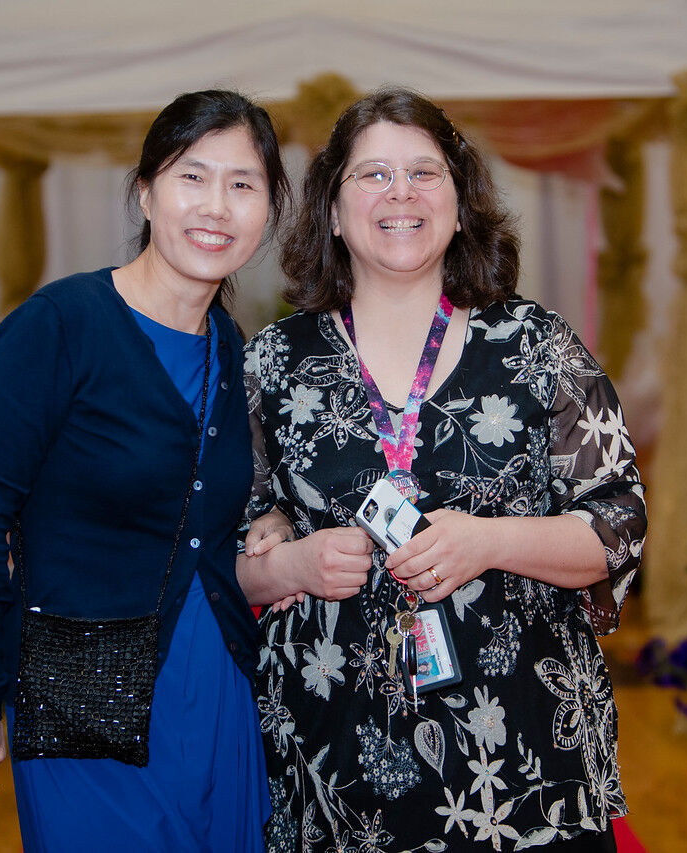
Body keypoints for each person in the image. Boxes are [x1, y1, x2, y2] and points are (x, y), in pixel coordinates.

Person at [238, 88, 646, 852]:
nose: (400, 193)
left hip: (525, 759)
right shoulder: (272, 364)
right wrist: (288, 560)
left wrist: (488, 542)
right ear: (331, 209)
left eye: (424, 172)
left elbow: (618, 523)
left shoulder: (534, 345)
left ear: (461, 206)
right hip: (334, 765)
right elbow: (221, 558)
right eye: (372, 175)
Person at [0, 89, 291, 852]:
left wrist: (267, 515)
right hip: (80, 703)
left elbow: (200, 505)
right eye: (192, 177)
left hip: (217, 688)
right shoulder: (57, 326)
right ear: (145, 193)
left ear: (267, 211)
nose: (216, 206)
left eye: (242, 184)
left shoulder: (230, 346)